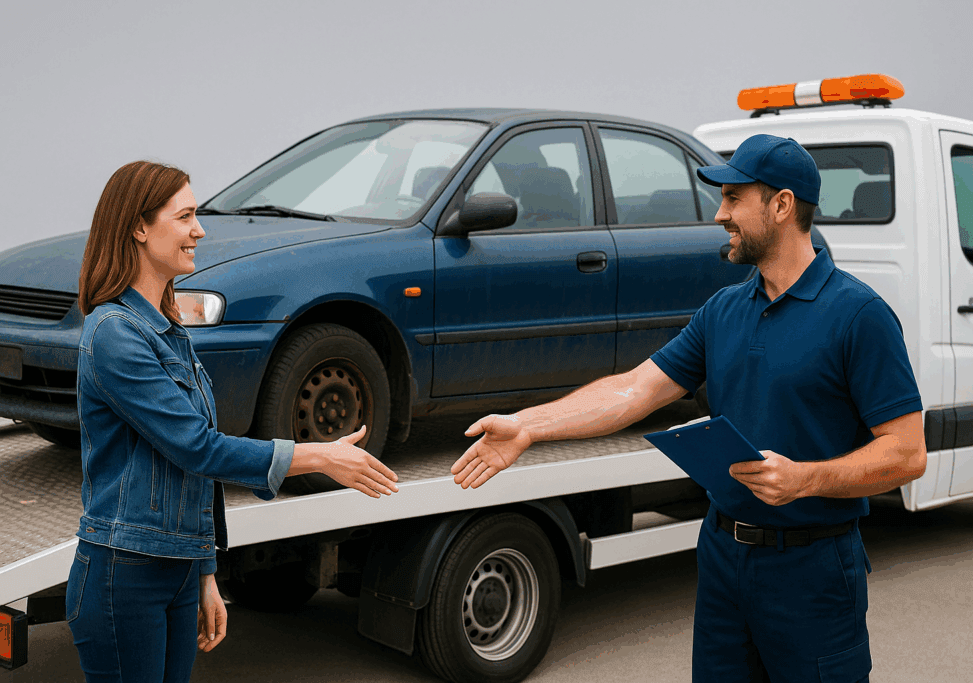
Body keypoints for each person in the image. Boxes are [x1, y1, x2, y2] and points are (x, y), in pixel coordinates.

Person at [451, 134, 926, 682]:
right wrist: (528, 427)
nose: (720, 214)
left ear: (781, 205)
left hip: (812, 570)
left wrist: (805, 479)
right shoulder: (723, 310)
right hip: (724, 557)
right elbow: (634, 389)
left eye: (733, 199)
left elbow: (908, 453)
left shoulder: (858, 315)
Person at [66, 160, 400, 683]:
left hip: (174, 567)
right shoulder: (114, 333)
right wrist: (320, 456)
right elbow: (200, 448)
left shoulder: (168, 329)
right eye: (185, 216)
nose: (200, 229)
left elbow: (189, 474)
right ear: (139, 227)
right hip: (124, 573)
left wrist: (203, 573)